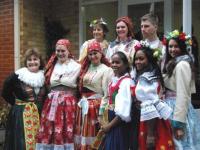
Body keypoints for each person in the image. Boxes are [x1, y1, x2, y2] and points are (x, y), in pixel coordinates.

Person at [36, 39, 81, 150]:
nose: (60, 53)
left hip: (68, 103)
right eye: (58, 51)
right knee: (50, 129)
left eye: (63, 51)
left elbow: (76, 85)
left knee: (66, 129)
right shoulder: (52, 65)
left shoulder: (76, 66)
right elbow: (47, 83)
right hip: (51, 102)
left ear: (68, 51)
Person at [132, 41, 174, 150]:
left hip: (151, 123)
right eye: (136, 59)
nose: (137, 61)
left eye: (141, 59)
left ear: (149, 60)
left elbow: (150, 105)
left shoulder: (146, 79)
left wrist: (150, 134)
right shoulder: (150, 75)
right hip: (153, 120)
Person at [1, 48, 46, 150]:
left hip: (40, 114)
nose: (32, 62)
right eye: (29, 60)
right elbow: (5, 92)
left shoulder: (45, 75)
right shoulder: (18, 75)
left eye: (35, 59)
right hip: (21, 115)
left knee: (40, 141)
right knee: (21, 143)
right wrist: (17, 105)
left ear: (40, 61)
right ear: (26, 62)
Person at [162, 30, 200, 149]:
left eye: (176, 46)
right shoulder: (173, 63)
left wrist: (179, 125)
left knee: (180, 145)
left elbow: (183, 95)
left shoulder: (182, 64)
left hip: (178, 111)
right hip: (171, 108)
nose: (172, 49)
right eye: (170, 46)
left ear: (182, 48)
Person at [74, 40, 113, 149]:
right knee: (82, 135)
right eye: (90, 54)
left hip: (95, 108)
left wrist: (101, 113)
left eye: (95, 53)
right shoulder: (85, 68)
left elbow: (107, 94)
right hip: (83, 106)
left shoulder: (106, 70)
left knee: (94, 136)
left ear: (101, 53)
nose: (93, 56)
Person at [99, 51, 134, 150]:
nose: (114, 65)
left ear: (125, 64)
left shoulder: (126, 82)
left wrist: (109, 126)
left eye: (118, 62)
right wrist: (102, 119)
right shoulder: (114, 80)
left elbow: (123, 112)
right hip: (111, 123)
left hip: (118, 125)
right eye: (112, 62)